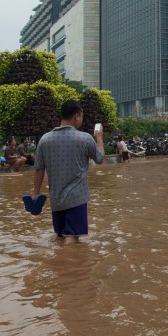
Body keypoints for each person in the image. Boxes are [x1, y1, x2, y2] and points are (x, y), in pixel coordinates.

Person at [31, 100, 105, 245]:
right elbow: (100, 158)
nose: (82, 119)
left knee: (60, 236)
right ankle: (70, 267)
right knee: (72, 237)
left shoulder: (45, 139)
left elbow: (39, 168)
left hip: (56, 199)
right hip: (76, 199)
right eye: (82, 116)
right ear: (76, 116)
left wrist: (36, 192)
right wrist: (99, 137)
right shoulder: (85, 138)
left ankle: (58, 264)